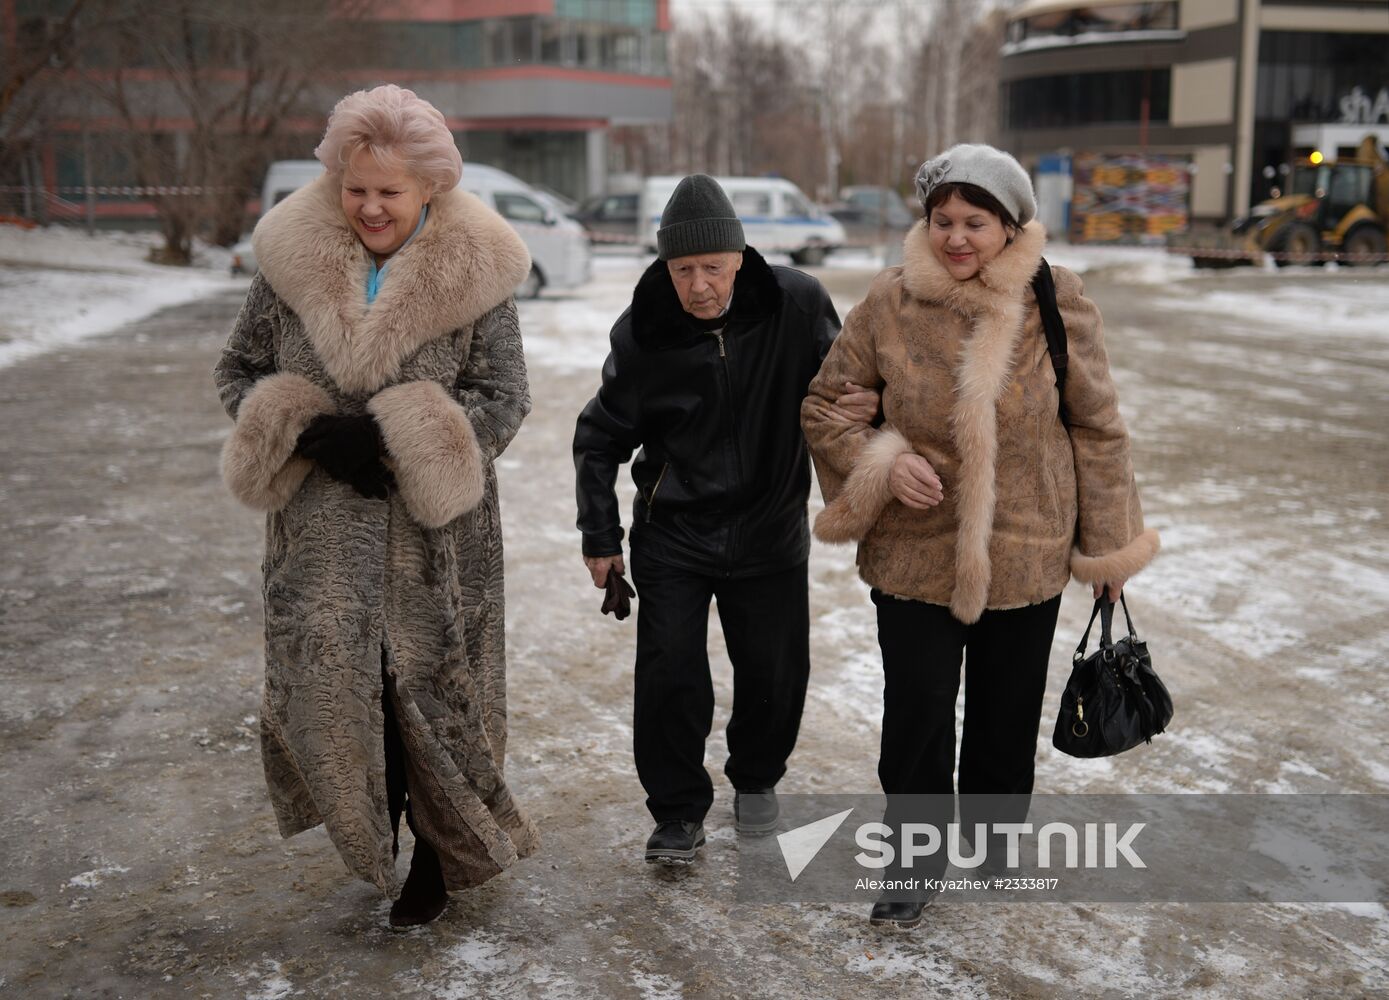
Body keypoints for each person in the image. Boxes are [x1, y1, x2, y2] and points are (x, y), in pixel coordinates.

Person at [801, 144, 1159, 927]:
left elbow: (1097, 429)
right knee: (917, 716)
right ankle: (913, 859)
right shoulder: (889, 302)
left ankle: (994, 840)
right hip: (913, 551)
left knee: (1003, 715)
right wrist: (882, 464)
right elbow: (825, 405)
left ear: (1010, 226)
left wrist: (1108, 548)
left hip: (1026, 546)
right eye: (942, 221)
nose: (955, 238)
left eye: (975, 222)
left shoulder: (1056, 300)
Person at [214, 84, 538, 928]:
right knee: (340, 692)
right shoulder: (290, 260)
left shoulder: (477, 269)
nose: (368, 206)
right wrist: (299, 423)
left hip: (436, 542)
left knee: (432, 692)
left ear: (430, 187)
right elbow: (236, 370)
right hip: (319, 537)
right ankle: (374, 829)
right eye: (355, 188)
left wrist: (403, 439)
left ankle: (441, 851)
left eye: (389, 191)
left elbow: (503, 396)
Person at [573, 174, 874, 865]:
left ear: (740, 258)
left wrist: (870, 442)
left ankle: (757, 778)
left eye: (712, 266)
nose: (699, 284)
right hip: (675, 533)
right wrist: (599, 535)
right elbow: (599, 438)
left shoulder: (795, 304)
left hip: (769, 529)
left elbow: (844, 395)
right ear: (664, 267)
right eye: (684, 269)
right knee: (670, 674)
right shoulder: (645, 329)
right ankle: (677, 812)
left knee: (774, 674)